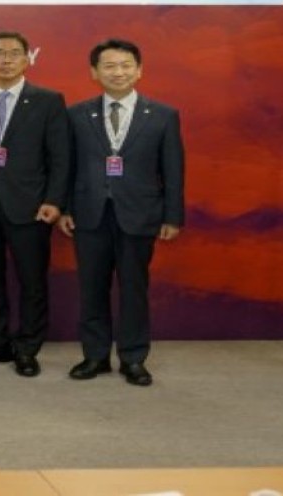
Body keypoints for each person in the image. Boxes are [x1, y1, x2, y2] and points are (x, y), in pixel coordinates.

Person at [58, 38, 184, 387]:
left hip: (139, 214)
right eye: (109, 65)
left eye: (126, 65)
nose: (118, 72)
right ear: (94, 72)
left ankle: (133, 358)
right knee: (92, 288)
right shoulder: (77, 114)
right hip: (89, 213)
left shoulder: (162, 115)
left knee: (134, 289)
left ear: (139, 70)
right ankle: (95, 356)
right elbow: (67, 165)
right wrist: (66, 207)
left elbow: (173, 170)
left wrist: (172, 216)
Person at [0, 32, 69, 378]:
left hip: (31, 204)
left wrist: (54, 200)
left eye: (14, 53)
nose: (6, 59)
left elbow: (60, 157)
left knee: (32, 280)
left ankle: (27, 348)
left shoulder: (48, 100)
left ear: (27, 60)